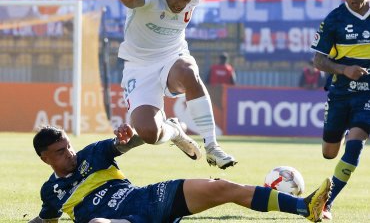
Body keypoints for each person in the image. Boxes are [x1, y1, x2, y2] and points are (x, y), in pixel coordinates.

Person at [28, 125, 332, 223]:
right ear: (45, 159)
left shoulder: (92, 154)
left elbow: (127, 143)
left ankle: (305, 207)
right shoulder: (50, 192)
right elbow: (45, 219)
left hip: (149, 199)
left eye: (67, 146)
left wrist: (130, 134)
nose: (69, 153)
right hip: (116, 221)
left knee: (222, 187)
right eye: (60, 152)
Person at [116, 0, 236, 169]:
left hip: (172, 56)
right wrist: (130, 0)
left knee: (189, 71)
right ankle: (173, 130)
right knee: (150, 133)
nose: (181, 3)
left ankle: (212, 147)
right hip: (139, 66)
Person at [311, 0, 370, 220]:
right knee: (329, 153)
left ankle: (326, 203)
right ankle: (349, 133)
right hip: (340, 93)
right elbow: (318, 60)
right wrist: (344, 69)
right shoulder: (334, 19)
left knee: (355, 145)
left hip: (367, 95)